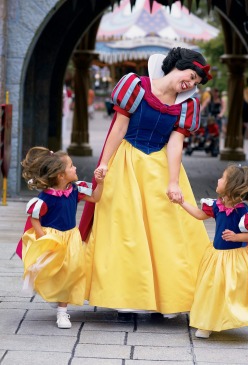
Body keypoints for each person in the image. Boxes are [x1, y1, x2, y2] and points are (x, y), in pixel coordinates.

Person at [79, 47, 213, 316]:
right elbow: (119, 127)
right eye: (191, 76)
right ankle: (128, 298)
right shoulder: (135, 85)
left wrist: (173, 182)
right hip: (126, 163)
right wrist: (104, 163)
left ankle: (170, 298)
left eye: (195, 82)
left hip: (160, 167)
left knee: (167, 231)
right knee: (124, 229)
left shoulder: (188, 104)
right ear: (179, 65)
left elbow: (176, 144)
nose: (191, 83)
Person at [175, 164, 248, 338]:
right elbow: (199, 215)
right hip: (216, 257)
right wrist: (182, 202)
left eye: (222, 178)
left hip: (235, 259)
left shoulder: (242, 210)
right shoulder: (217, 205)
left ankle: (233, 316)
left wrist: (237, 237)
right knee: (211, 289)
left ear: (230, 185)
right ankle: (207, 323)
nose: (218, 180)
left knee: (230, 290)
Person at [16, 147, 104, 329]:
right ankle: (56, 295)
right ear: (60, 176)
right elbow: (35, 218)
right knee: (53, 272)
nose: (75, 168)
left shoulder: (75, 190)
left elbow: (96, 198)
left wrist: (100, 183)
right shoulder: (45, 198)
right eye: (71, 166)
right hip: (53, 239)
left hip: (71, 237)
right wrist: (44, 239)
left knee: (70, 271)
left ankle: (62, 312)